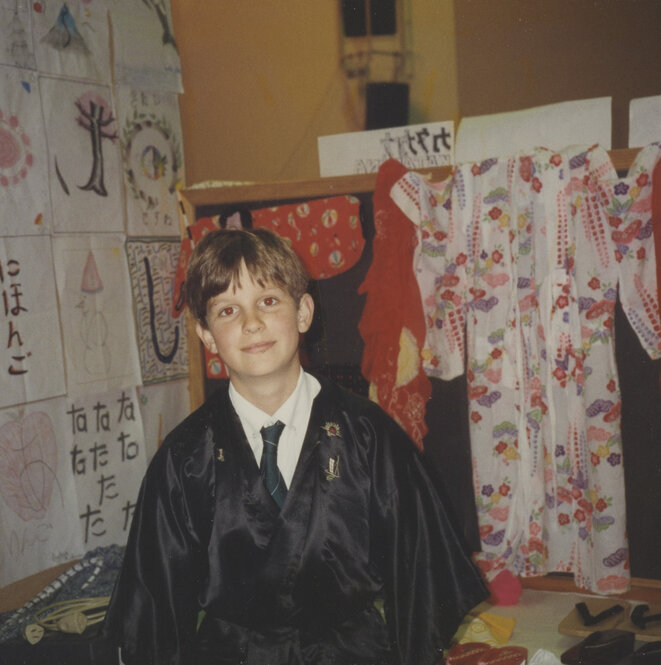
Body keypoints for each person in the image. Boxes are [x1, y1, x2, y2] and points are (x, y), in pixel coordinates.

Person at [103, 227, 488, 664]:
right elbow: (154, 619)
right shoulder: (185, 458)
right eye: (228, 310)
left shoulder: (369, 437)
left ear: (303, 312)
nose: (252, 323)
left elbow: (423, 584)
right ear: (207, 335)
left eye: (268, 301)